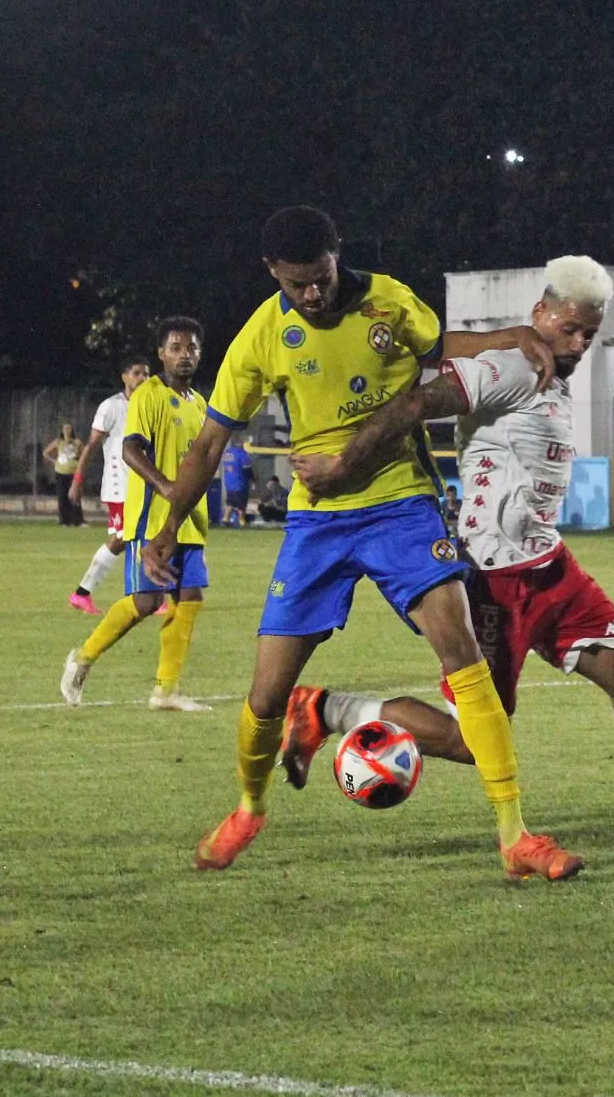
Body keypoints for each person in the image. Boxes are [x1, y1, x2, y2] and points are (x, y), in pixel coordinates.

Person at [288, 256, 614, 845]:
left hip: (549, 568)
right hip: (491, 582)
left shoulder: (552, 377)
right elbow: (417, 404)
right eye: (567, 328)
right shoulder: (509, 367)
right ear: (540, 314)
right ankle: (325, 710)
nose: (576, 343)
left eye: (588, 334)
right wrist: (345, 463)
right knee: (474, 737)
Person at [141, 205, 576, 879]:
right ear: (273, 274)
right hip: (317, 521)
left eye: (320, 277)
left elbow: (442, 348)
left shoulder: (387, 300)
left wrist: (513, 334)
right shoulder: (262, 336)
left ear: (337, 256)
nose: (312, 293)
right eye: (297, 284)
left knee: (461, 649)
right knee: (264, 695)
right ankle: (250, 807)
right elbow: (208, 442)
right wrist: (167, 529)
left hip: (401, 501)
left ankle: (515, 835)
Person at [60, 320, 213, 713]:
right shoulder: (149, 394)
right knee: (146, 602)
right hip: (151, 518)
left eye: (191, 348)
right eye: (175, 348)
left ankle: (166, 690)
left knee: (190, 598)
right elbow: (131, 450)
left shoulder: (199, 403)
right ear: (161, 354)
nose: (184, 355)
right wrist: (166, 487)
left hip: (190, 520)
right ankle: (82, 659)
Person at [69, 357, 153, 614]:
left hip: (140, 486)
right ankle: (83, 593)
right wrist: (77, 480)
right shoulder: (112, 407)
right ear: (125, 377)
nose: (143, 379)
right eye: (137, 373)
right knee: (122, 538)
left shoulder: (148, 405)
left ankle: (147, 595)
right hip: (119, 486)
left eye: (147, 374)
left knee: (139, 537)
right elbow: (91, 446)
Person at [44, 424, 85, 526]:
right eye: (65, 429)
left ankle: (77, 520)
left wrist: (79, 461)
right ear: (62, 431)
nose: (67, 430)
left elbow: (84, 454)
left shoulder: (77, 442)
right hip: (61, 472)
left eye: (69, 428)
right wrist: (54, 461)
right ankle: (64, 521)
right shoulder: (58, 442)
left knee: (75, 497)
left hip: (73, 472)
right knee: (62, 496)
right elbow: (45, 452)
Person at [220, 437, 254, 526]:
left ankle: (225, 519)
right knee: (241, 504)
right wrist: (253, 479)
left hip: (229, 483)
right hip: (240, 483)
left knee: (230, 502)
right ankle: (242, 521)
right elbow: (247, 468)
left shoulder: (227, 452)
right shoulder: (242, 454)